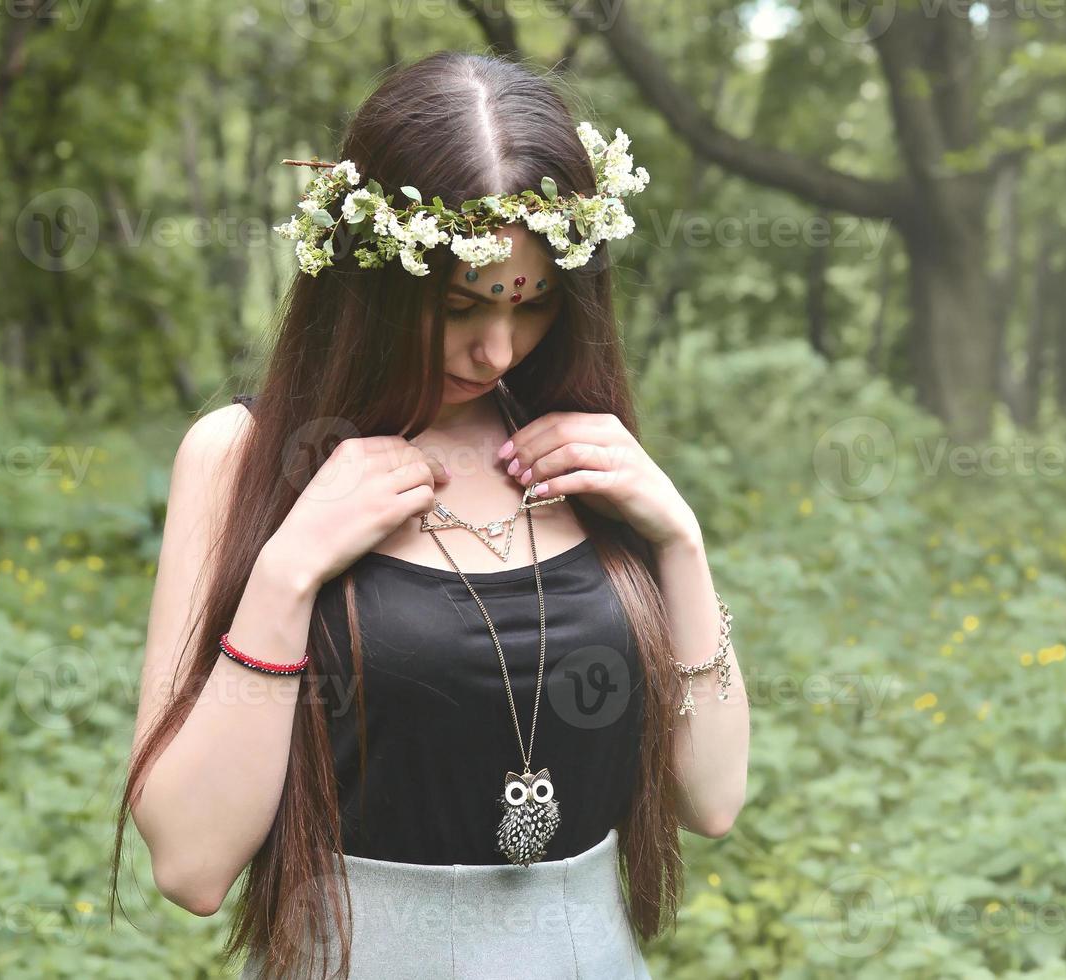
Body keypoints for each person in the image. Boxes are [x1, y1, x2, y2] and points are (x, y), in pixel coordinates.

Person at [107, 51, 749, 979]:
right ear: (371, 286)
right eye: (460, 306)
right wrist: (289, 574)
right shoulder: (241, 459)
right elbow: (191, 863)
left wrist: (680, 543)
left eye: (531, 305)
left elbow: (714, 798)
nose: (497, 350)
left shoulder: (577, 449)